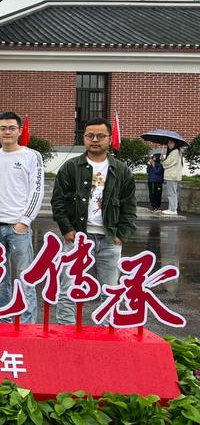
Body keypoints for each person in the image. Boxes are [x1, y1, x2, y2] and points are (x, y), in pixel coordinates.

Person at [51, 117, 137, 325]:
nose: (95, 140)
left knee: (110, 291)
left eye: (100, 136)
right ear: (84, 138)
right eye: (90, 136)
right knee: (68, 288)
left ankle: (107, 332)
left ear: (109, 138)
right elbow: (58, 201)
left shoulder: (121, 170)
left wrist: (121, 235)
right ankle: (65, 331)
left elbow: (129, 207)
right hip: (77, 238)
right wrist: (67, 229)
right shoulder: (71, 167)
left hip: (109, 239)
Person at [0, 111, 43, 323]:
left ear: (19, 131)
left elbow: (36, 191)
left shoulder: (31, 156)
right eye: (3, 128)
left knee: (25, 277)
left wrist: (24, 221)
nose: (7, 132)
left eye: (11, 128)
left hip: (18, 228)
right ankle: (1, 320)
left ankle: (28, 323)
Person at [162, 139, 184, 215]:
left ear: (175, 144)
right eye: (168, 143)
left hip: (172, 175)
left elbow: (169, 162)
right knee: (172, 192)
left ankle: (172, 209)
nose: (169, 144)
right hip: (173, 175)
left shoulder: (175, 152)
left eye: (171, 143)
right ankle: (172, 208)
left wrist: (163, 161)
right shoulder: (176, 152)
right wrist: (165, 160)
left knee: (171, 193)